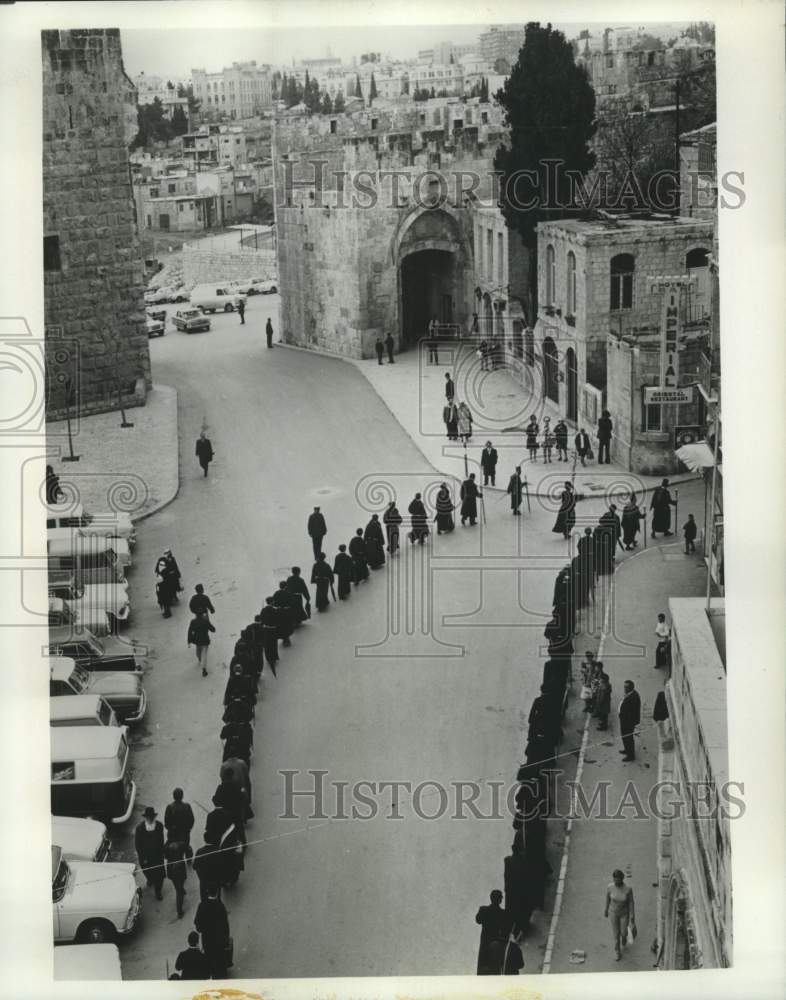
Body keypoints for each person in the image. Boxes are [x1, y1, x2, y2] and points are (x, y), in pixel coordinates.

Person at [194, 887, 231, 979]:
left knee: (208, 955)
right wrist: (226, 937)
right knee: (219, 957)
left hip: (207, 938)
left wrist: (201, 929)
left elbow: (197, 922)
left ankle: (209, 973)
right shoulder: (220, 906)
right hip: (219, 938)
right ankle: (219, 975)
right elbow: (225, 925)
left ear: (207, 892)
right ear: (217, 892)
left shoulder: (202, 905)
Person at [475, 890, 512, 974]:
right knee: (495, 968)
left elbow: (478, 920)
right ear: (499, 900)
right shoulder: (503, 913)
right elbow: (506, 929)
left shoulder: (484, 910)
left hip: (485, 942)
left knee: (483, 967)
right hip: (497, 942)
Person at [604, 869, 636, 960]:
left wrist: (632, 915)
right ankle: (617, 951)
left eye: (618, 879)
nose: (616, 881)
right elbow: (607, 898)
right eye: (614, 879)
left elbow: (631, 902)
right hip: (613, 913)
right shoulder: (610, 887)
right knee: (616, 934)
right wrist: (606, 909)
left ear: (622, 879)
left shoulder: (628, 889)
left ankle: (624, 938)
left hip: (624, 914)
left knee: (623, 932)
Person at [135, 807, 166, 900]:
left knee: (160, 876)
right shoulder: (140, 828)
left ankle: (158, 892)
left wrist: (162, 853)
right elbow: (138, 844)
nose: (150, 819)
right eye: (148, 817)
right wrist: (142, 857)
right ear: (145, 818)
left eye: (152, 817)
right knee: (147, 871)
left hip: (157, 856)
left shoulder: (159, 826)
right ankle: (150, 879)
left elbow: (161, 841)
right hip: (145, 857)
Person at [165, 789, 196, 863]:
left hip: (173, 835)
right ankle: (188, 856)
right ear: (182, 796)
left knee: (172, 849)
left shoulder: (169, 807)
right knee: (185, 845)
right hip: (185, 834)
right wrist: (188, 828)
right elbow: (192, 819)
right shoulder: (187, 806)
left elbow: (166, 823)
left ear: (173, 796)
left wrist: (171, 829)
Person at [164, 839, 189, 918]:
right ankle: (179, 911)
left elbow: (165, 856)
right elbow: (188, 850)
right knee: (179, 891)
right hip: (179, 868)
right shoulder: (181, 843)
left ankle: (181, 889)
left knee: (176, 885)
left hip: (171, 868)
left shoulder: (167, 845)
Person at [618, 680, 641, 761]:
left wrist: (627, 721)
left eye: (626, 687)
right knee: (625, 737)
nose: (624, 688)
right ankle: (627, 750)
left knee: (628, 737)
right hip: (625, 720)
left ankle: (630, 756)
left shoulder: (633, 697)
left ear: (631, 688)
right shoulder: (630, 694)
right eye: (624, 687)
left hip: (628, 722)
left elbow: (632, 712)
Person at [187, 612, 215, 677]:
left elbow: (190, 631)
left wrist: (189, 640)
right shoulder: (205, 621)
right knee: (204, 654)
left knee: (198, 653)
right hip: (205, 640)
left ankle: (200, 661)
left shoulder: (193, 622)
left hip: (197, 641)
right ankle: (204, 668)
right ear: (202, 615)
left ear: (196, 615)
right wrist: (211, 628)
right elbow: (212, 629)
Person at [155, 549, 181, 618]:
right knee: (165, 601)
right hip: (164, 589)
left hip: (166, 587)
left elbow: (175, 568)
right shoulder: (162, 571)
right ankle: (167, 610)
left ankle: (168, 611)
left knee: (166, 601)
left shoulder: (166, 568)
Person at [258, 598, 280, 672]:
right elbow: (277, 620)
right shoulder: (275, 610)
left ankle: (269, 658)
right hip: (273, 629)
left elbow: (261, 620)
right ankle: (274, 658)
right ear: (272, 602)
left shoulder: (263, 610)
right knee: (273, 644)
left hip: (266, 629)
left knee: (267, 644)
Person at [593, 665, 612, 730]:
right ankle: (603, 724)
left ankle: (603, 726)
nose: (600, 680)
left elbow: (602, 697)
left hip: (603, 704)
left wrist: (599, 703)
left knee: (603, 715)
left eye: (601, 679)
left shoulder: (604, 687)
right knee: (603, 715)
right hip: (605, 704)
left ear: (604, 680)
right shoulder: (606, 685)